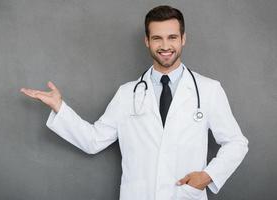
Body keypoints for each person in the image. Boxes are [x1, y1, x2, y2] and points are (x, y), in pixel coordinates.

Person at [20, 5, 248, 200]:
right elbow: (93, 141)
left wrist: (206, 177)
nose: (165, 46)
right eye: (157, 38)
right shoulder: (126, 94)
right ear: (147, 41)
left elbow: (236, 143)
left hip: (185, 195)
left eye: (172, 37)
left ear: (183, 39)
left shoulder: (208, 90)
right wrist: (59, 107)